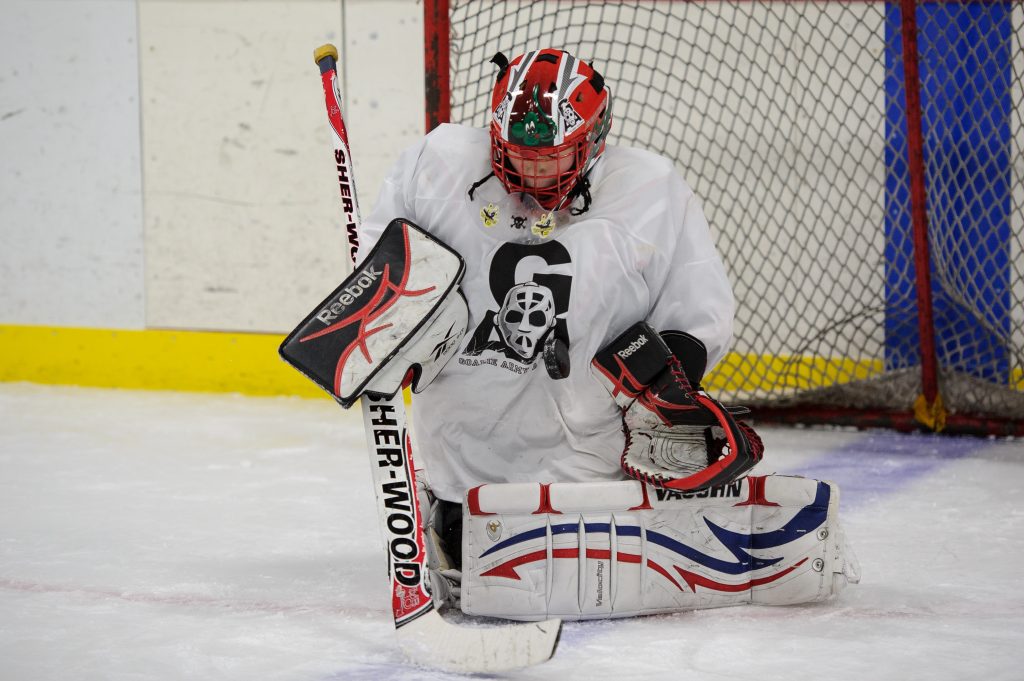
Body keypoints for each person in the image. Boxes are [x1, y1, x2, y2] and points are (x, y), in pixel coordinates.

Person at [348, 48, 855, 620]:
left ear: (594, 141)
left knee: (573, 560)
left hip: (587, 464)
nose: (530, 176)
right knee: (473, 551)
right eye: (516, 157)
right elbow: (379, 263)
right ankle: (450, 524)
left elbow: (698, 305)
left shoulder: (649, 189)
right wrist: (378, 315)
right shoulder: (436, 164)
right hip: (463, 442)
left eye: (551, 159)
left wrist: (669, 381)